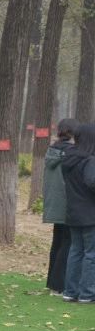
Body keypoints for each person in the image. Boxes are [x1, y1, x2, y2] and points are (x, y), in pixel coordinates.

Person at [61, 124, 95, 303]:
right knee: (91, 254)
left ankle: (70, 291)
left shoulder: (69, 158)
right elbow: (92, 182)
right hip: (90, 214)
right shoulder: (89, 160)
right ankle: (87, 294)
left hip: (73, 212)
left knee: (76, 251)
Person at [42, 119, 77, 295]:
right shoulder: (71, 153)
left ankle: (52, 282)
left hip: (55, 205)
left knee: (57, 243)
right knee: (67, 244)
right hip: (68, 204)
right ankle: (59, 285)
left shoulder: (52, 151)